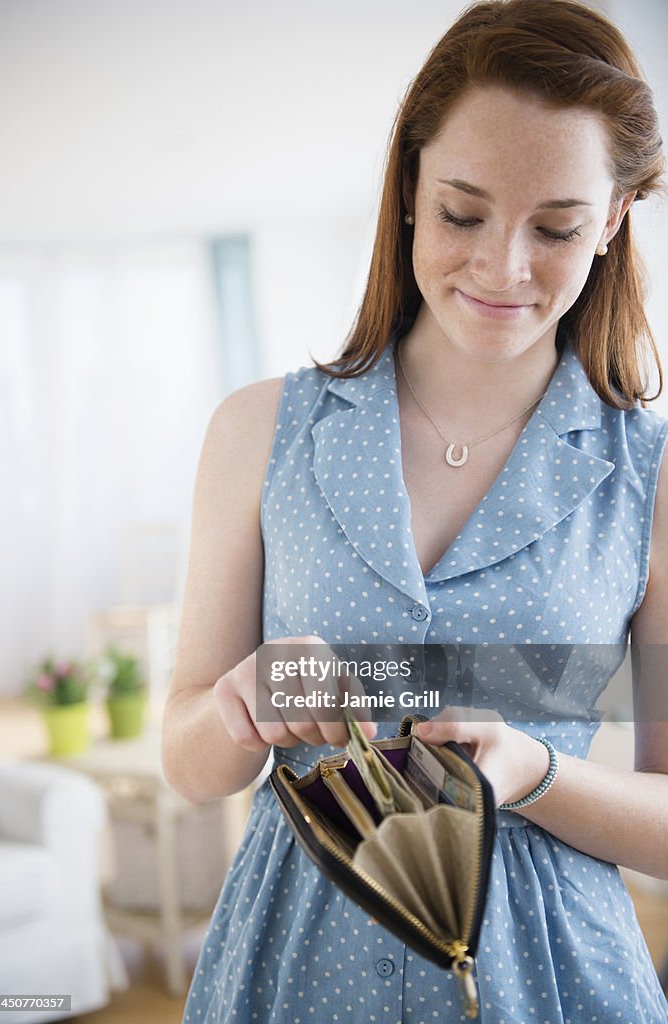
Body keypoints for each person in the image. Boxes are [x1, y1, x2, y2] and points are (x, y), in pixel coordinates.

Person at [162, 0, 668, 1020]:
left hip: (550, 975)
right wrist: (238, 706)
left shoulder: (649, 473)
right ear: (407, 189)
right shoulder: (258, 431)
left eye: (556, 227)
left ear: (612, 220)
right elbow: (186, 760)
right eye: (462, 214)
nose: (502, 267)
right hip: (293, 958)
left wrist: (533, 773)